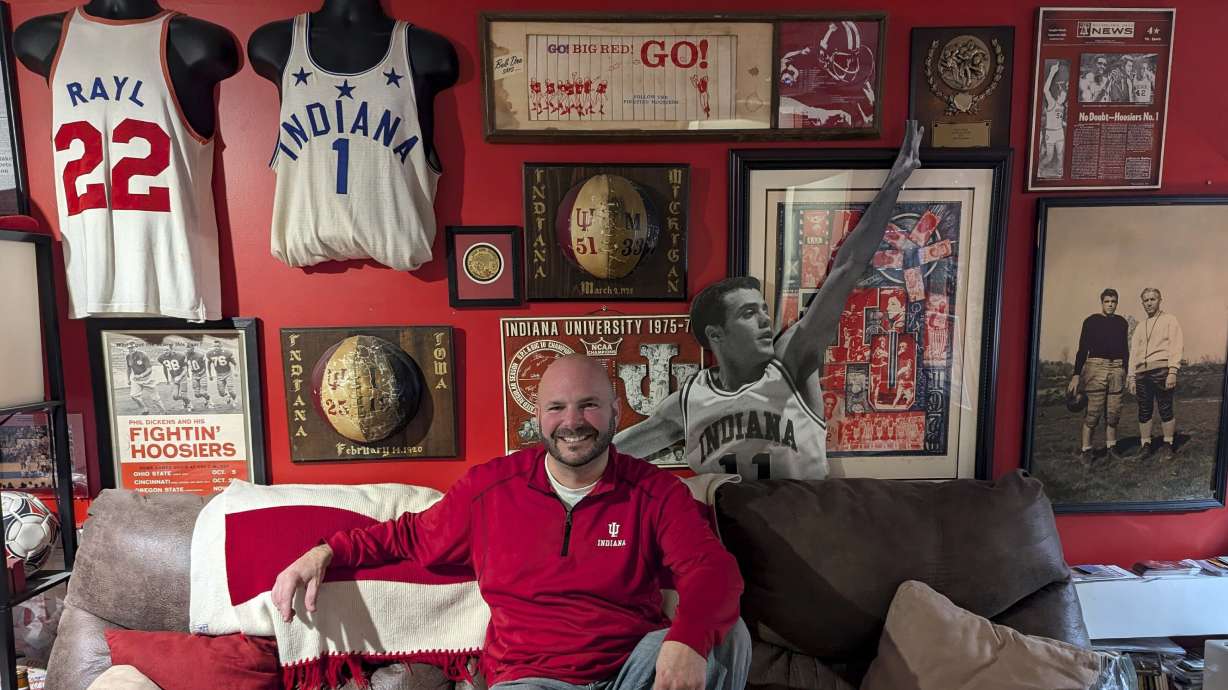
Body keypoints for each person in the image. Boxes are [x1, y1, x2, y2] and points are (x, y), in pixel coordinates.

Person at [271, 354, 750, 690]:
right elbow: (411, 536)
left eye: (588, 404)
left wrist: (687, 639)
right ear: (537, 417)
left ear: (615, 412)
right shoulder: (489, 490)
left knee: (729, 635)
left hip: (631, 670)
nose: (573, 421)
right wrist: (325, 551)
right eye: (557, 407)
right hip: (531, 679)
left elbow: (714, 571)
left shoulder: (655, 491)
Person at [614, 122, 922, 480]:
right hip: (724, 532)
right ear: (716, 334)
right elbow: (611, 453)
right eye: (748, 313)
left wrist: (895, 184)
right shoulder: (688, 401)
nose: (765, 320)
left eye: (763, 309)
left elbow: (848, 268)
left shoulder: (791, 360)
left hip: (801, 529)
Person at [1067, 289, 1130, 460]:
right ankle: (1086, 450)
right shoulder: (1091, 321)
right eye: (1107, 301)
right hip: (1096, 366)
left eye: (1113, 301)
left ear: (1117, 303)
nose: (1110, 304)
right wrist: (1076, 375)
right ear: (1101, 302)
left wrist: (1126, 370)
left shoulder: (1122, 322)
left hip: (1117, 367)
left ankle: (1111, 448)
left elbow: (1125, 349)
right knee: (1093, 412)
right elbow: (1082, 349)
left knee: (1113, 411)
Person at [1128, 288, 1184, 461]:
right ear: (1142, 303)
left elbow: (1176, 345)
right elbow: (1134, 353)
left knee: (1165, 407)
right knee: (1144, 410)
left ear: (1160, 300)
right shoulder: (1140, 326)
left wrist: (1173, 371)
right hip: (1141, 373)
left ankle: (1168, 444)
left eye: (1153, 299)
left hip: (1161, 370)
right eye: (1146, 300)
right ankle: (1146, 445)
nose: (1149, 303)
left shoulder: (1170, 320)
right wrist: (1131, 376)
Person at [1040, 62, 1067, 178]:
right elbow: (1046, 90)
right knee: (1049, 156)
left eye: (1065, 97)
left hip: (1059, 131)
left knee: (1061, 154)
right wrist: (1052, 73)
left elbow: (1059, 119)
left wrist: (1065, 123)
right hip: (1050, 133)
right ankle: (1040, 168)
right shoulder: (1052, 103)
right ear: (1058, 96)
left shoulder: (1062, 107)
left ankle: (1059, 171)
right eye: (1062, 96)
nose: (1064, 98)